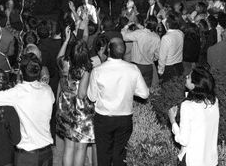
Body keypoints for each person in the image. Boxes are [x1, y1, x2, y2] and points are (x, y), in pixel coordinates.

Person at [0, 52, 55, 166]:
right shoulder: (48, 90)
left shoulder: (17, 93)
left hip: (27, 155)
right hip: (47, 153)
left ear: (21, 72)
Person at [87, 37, 149, 166]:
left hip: (104, 118)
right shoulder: (133, 69)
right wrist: (130, 89)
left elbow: (92, 97)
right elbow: (144, 94)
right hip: (124, 118)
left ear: (109, 50)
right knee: (120, 155)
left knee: (103, 154)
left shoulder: (98, 70)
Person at [56, 30, 95, 166]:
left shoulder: (65, 63)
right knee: (80, 147)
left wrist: (66, 40)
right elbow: (81, 94)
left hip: (66, 108)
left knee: (68, 147)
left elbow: (58, 58)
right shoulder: (85, 69)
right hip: (81, 112)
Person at [168, 66, 219, 166]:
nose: (186, 76)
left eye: (189, 77)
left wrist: (172, 121)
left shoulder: (187, 106)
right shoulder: (214, 102)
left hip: (192, 160)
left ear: (194, 85)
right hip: (211, 160)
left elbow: (183, 140)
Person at [120, 17, 160, 88]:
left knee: (134, 89)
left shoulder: (138, 33)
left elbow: (123, 36)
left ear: (146, 23)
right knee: (146, 90)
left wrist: (127, 26)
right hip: (148, 67)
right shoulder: (157, 37)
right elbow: (157, 55)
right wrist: (137, 24)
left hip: (136, 66)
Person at [158, 16, 184, 82]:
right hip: (179, 66)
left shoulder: (166, 38)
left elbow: (162, 56)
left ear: (167, 24)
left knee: (168, 89)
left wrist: (160, 70)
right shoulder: (181, 33)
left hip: (169, 68)